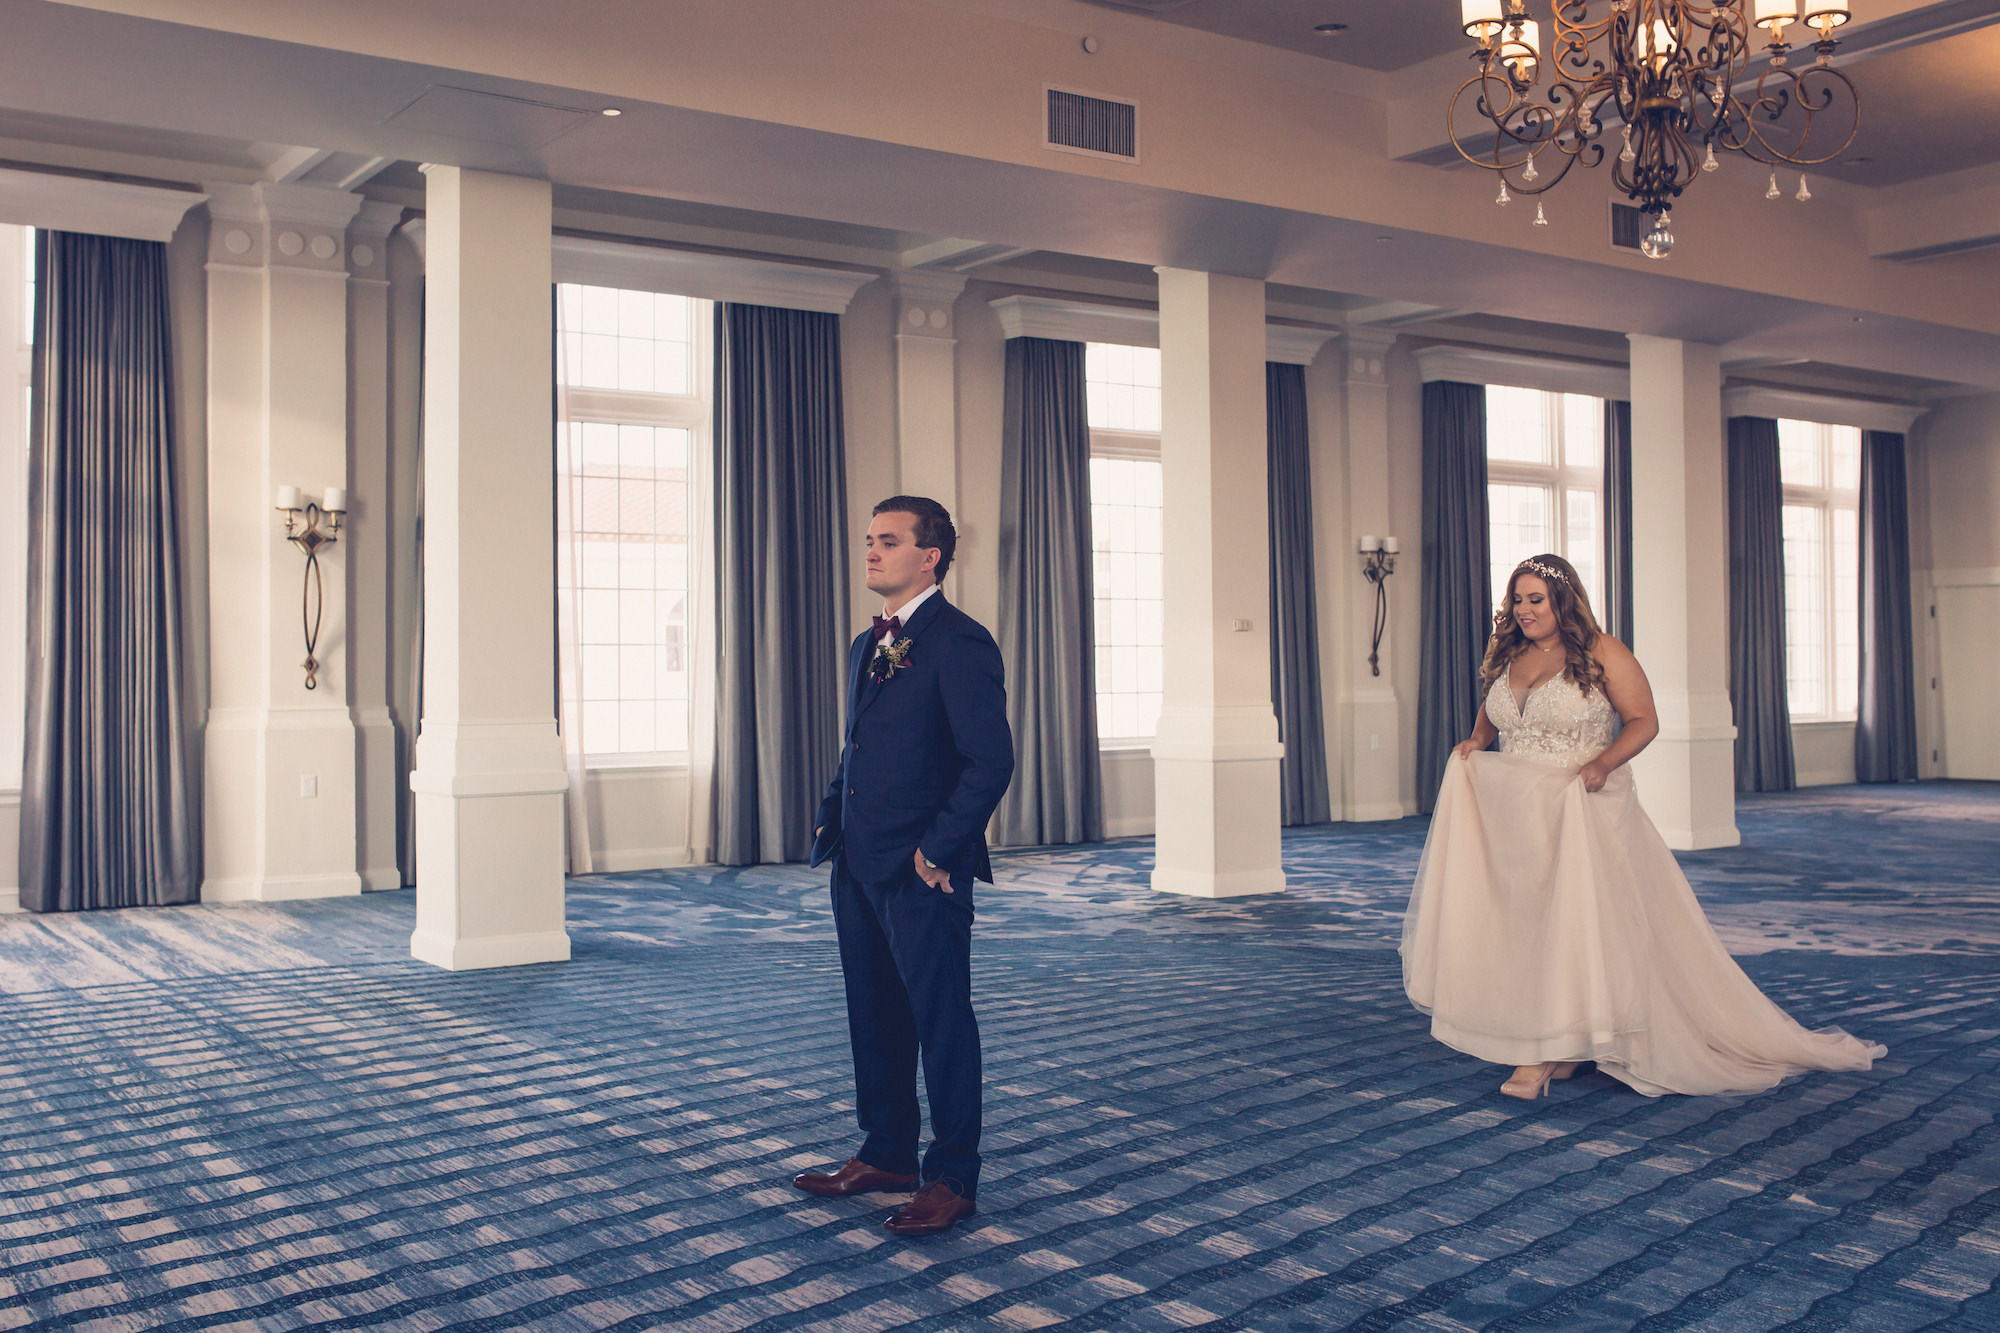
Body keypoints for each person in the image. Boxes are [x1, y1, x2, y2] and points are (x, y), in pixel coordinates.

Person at [1402, 553, 1883, 1100]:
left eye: (1535, 599)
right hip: (1513, 812)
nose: (1524, 609)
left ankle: (1542, 1049)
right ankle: (1561, 1035)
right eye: (1517, 599)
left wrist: (1602, 764)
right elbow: (1497, 713)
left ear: (1563, 600)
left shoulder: (1602, 650)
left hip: (1579, 804)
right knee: (1521, 921)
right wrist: (1477, 742)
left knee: (1573, 922)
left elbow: (1644, 720)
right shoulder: (1509, 651)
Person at [791, 496, 1014, 1236]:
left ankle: (952, 1174)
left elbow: (990, 761)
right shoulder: (866, 643)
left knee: (941, 1021)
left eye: (888, 541)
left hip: (923, 872)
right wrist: (831, 814)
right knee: (874, 1015)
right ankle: (886, 1151)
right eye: (868, 540)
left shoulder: (961, 641)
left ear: (931, 556)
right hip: (857, 863)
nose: (871, 552)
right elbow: (858, 746)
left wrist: (937, 851)